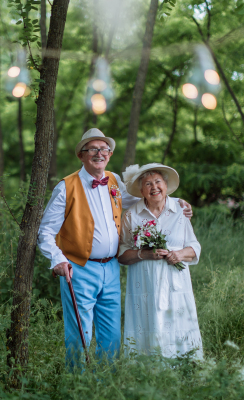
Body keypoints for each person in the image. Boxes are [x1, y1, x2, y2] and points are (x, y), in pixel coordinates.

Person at [37, 129, 192, 368]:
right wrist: (58, 260)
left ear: (109, 154)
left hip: (111, 267)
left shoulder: (114, 181)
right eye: (93, 149)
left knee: (111, 334)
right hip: (78, 267)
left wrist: (177, 202)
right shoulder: (66, 187)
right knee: (80, 332)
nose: (99, 153)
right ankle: (77, 384)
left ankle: (104, 382)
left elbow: (144, 201)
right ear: (81, 155)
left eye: (104, 149)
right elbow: (45, 231)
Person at [118, 163, 203, 359]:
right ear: (141, 190)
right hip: (144, 284)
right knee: (146, 326)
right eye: (148, 184)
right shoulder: (131, 214)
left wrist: (179, 255)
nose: (154, 187)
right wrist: (143, 254)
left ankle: (184, 370)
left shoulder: (180, 211)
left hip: (175, 283)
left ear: (165, 185)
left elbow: (194, 247)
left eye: (158, 182)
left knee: (177, 326)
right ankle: (146, 375)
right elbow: (121, 254)